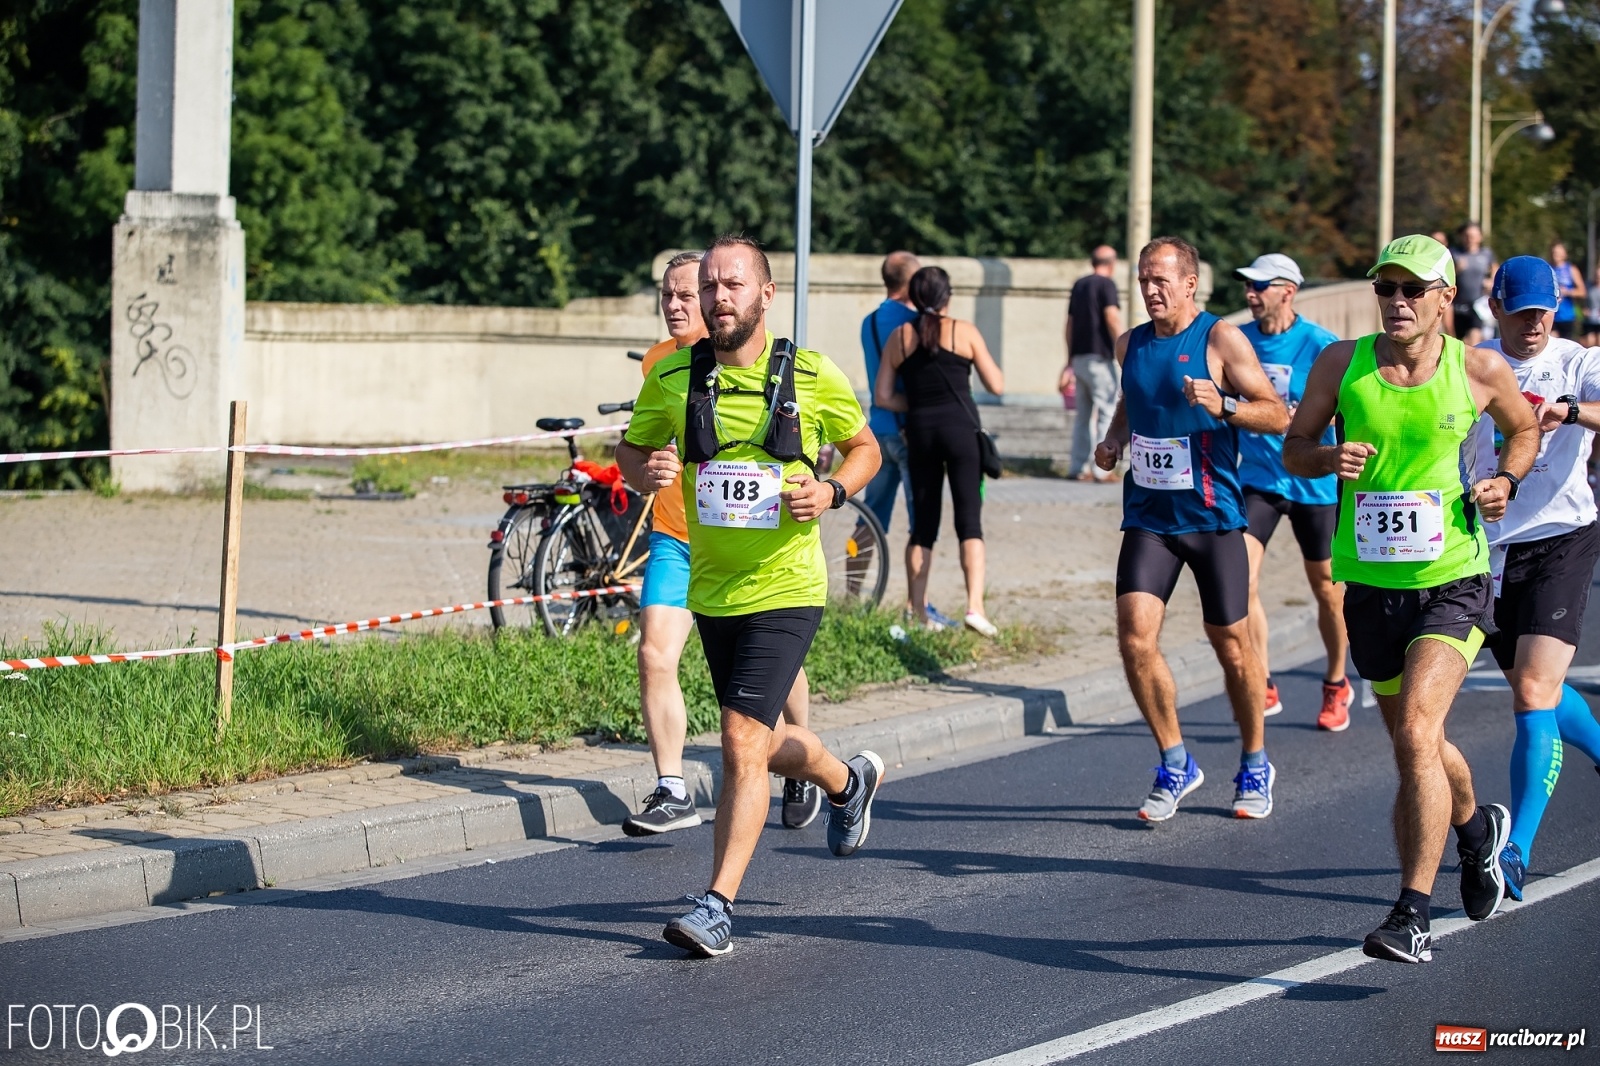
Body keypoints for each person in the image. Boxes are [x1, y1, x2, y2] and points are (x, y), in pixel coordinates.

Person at [617, 234, 885, 958]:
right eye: (708, 286)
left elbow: (867, 449)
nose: (716, 297)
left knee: (739, 742)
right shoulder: (673, 376)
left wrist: (832, 490)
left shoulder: (810, 373)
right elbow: (632, 454)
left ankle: (716, 904)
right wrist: (650, 470)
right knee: (760, 741)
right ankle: (845, 778)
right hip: (714, 588)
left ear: (766, 294)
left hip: (787, 586)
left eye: (731, 285)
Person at [1283, 233, 1538, 964]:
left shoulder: (1478, 368)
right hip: (1371, 587)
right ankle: (1475, 831)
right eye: (1385, 289)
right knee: (1414, 745)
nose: (1396, 302)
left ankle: (1411, 914)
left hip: (1454, 580)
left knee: (1417, 731)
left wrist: (1506, 483)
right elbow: (1292, 447)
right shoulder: (1343, 363)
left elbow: (1522, 432)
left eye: (1411, 290)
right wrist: (1328, 456)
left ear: (1443, 299)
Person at [621, 251, 824, 837]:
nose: (678, 306)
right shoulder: (662, 365)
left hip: (759, 555)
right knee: (654, 655)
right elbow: (638, 450)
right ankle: (672, 787)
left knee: (773, 686)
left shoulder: (773, 367)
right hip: (678, 539)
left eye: (689, 294)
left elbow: (826, 437)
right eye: (669, 296)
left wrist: (819, 482)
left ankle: (799, 772)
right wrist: (647, 468)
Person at [1092, 237, 1290, 821]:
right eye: (1144, 280)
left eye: (1162, 280)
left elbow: (1276, 414)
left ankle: (1255, 760)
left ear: (1189, 284)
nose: (1151, 290)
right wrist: (1113, 439)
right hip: (1150, 518)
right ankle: (1174, 761)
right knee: (1134, 636)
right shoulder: (1129, 341)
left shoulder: (1220, 338)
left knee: (1232, 645)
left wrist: (1224, 405)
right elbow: (1133, 397)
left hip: (1213, 518)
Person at [1467, 256, 1600, 901]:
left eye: (1543, 310)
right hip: (1490, 552)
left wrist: (1573, 412)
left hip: (1565, 538)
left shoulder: (1578, 360)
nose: (1534, 323)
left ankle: (1515, 850)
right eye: (1521, 312)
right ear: (1497, 309)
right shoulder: (1474, 365)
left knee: (1532, 694)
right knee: (1530, 684)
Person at [1232, 252, 1353, 730]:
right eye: (1248, 285)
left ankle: (1336, 683)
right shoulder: (1237, 342)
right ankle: (1261, 679)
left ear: (1288, 291)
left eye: (1260, 286)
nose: (1250, 294)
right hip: (1259, 478)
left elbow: (1349, 410)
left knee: (1326, 589)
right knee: (1240, 582)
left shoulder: (1321, 346)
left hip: (1313, 481)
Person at [874, 265, 1005, 636]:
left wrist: (916, 404)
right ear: (948, 296)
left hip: (921, 434)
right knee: (969, 523)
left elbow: (884, 396)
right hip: (962, 434)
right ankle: (974, 608)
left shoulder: (901, 336)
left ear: (914, 298)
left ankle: (916, 609)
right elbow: (996, 384)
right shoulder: (964, 331)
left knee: (923, 527)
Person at [1064, 245, 1124, 482]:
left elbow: (1069, 324)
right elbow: (1111, 316)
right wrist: (1125, 347)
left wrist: (1069, 360)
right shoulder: (1106, 285)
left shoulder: (1079, 285)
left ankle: (1077, 467)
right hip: (1100, 357)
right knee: (1107, 411)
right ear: (1111, 263)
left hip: (1079, 358)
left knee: (1082, 415)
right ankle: (1101, 469)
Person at [1451, 222, 1496, 346]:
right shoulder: (1455, 253)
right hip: (1458, 306)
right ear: (1461, 237)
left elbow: (1495, 269)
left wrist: (1491, 281)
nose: (1470, 239)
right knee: (1458, 342)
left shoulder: (1486, 253)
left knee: (1473, 337)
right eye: (1467, 235)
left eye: (1473, 235)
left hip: (1478, 305)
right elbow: (1445, 277)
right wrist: (1457, 270)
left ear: (1480, 237)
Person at [1550, 241, 1586, 340]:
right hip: (1551, 313)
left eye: (1558, 253)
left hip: (1566, 315)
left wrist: (1567, 292)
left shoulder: (1571, 269)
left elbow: (1582, 292)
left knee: (1565, 344)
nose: (1555, 255)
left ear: (1564, 254)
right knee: (1551, 341)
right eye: (1554, 253)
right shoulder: (1548, 269)